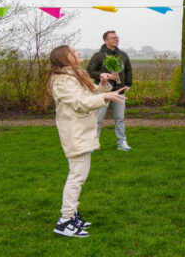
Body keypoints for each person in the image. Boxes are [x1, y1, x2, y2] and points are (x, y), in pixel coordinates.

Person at [49, 45, 127, 237]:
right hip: (74, 132)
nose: (78, 53)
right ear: (65, 58)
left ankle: (72, 215)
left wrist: (103, 85)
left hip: (81, 131)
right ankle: (65, 220)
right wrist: (105, 96)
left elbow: (90, 95)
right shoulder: (62, 80)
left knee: (79, 175)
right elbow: (79, 103)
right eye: (73, 52)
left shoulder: (73, 75)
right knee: (77, 176)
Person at [87, 30, 133, 151]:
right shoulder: (99, 56)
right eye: (113, 38)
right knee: (98, 119)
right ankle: (93, 143)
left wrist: (128, 84)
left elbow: (128, 69)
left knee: (120, 119)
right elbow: (90, 71)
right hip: (103, 93)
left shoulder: (123, 55)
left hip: (119, 92)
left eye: (117, 38)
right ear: (106, 41)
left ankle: (122, 143)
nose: (116, 40)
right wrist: (103, 75)